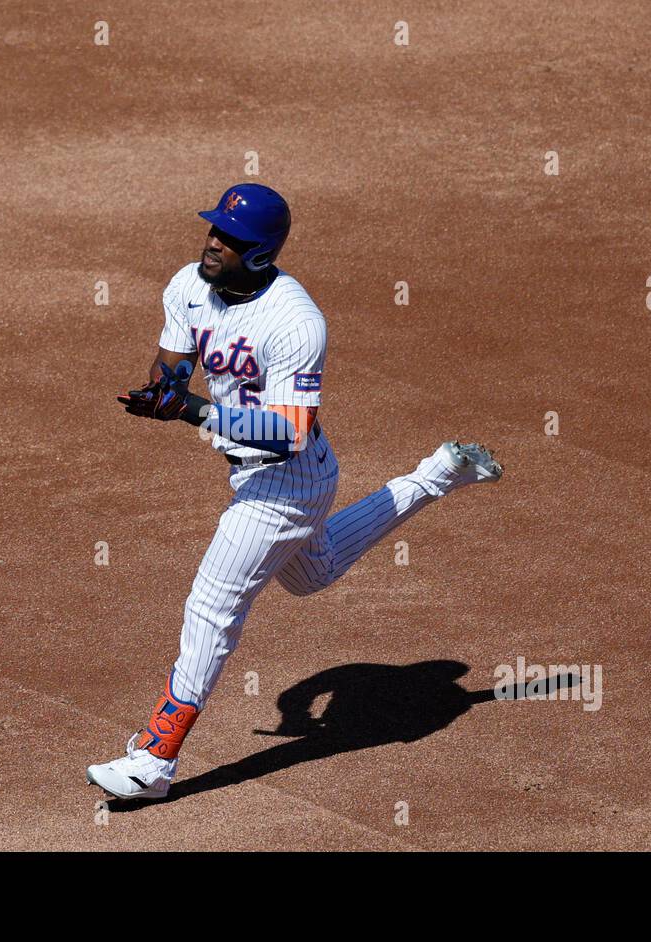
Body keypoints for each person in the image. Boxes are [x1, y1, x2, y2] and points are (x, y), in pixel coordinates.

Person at [88, 183, 503, 801]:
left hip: (287, 479)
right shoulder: (188, 285)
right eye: (213, 230)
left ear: (260, 253)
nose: (213, 242)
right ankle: (437, 474)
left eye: (230, 239)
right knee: (314, 573)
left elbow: (287, 433)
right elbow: (174, 359)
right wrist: (164, 387)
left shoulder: (295, 322)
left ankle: (154, 759)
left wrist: (191, 410)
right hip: (263, 472)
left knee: (212, 605)